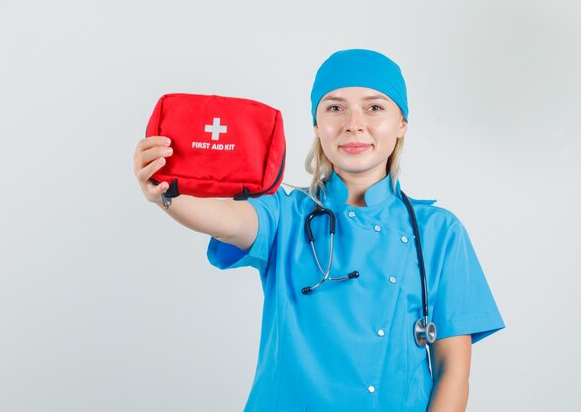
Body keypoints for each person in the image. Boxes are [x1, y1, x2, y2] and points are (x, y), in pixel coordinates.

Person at [133, 49, 505, 412]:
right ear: (316, 124)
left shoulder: (439, 233)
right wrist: (167, 194)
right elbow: (226, 219)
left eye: (374, 107)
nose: (353, 123)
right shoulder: (285, 213)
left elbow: (452, 370)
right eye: (334, 107)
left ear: (401, 123)